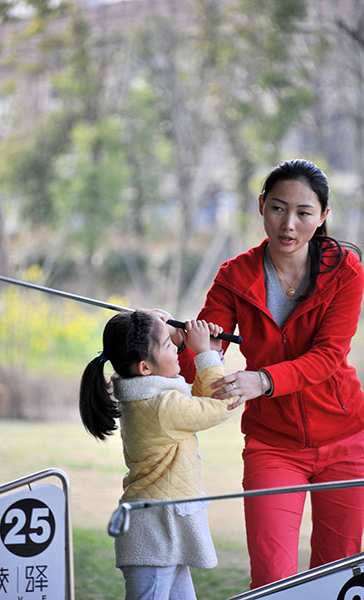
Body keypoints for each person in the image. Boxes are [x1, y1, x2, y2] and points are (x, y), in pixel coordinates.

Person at [171, 158, 364, 589]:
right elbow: (201, 363)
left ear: (323, 217)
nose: (288, 224)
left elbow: (329, 355)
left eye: (303, 213)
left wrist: (262, 381)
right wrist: (189, 343)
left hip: (347, 440)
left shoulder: (346, 272)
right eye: (278, 208)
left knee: (338, 577)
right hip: (272, 445)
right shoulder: (234, 275)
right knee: (273, 579)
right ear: (261, 205)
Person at [79, 310, 235, 600]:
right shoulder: (161, 406)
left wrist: (209, 352)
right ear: (145, 368)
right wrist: (203, 355)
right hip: (153, 535)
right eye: (167, 344)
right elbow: (220, 404)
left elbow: (198, 403)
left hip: (162, 530)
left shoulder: (151, 397)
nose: (177, 347)